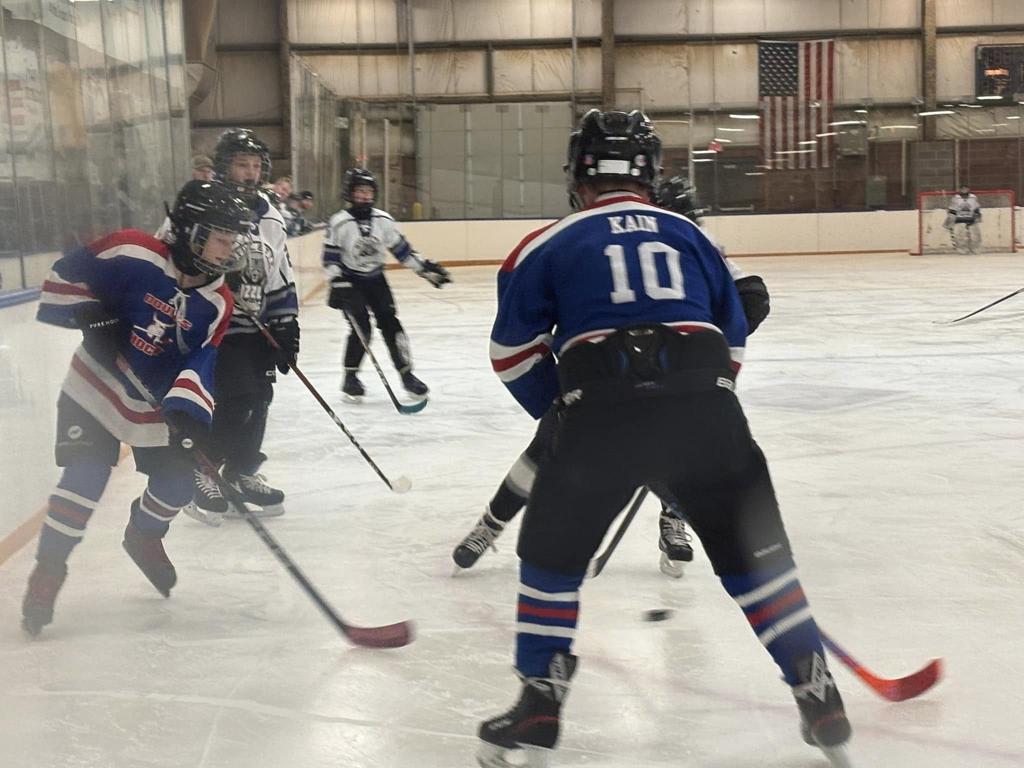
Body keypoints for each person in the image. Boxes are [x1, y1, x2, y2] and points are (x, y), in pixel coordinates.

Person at [475, 110, 851, 768]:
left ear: (578, 176)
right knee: (754, 559)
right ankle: (815, 688)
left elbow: (511, 353)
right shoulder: (691, 234)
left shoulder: (547, 243)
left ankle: (540, 695)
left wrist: (561, 412)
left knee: (551, 558)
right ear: (650, 174)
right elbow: (732, 339)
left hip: (600, 416)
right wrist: (701, 407)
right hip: (708, 414)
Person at [452, 175, 772, 579]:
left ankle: (672, 520)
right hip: (598, 376)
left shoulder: (689, 243)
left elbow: (751, 293)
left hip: (663, 377)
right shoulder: (606, 239)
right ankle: (492, 522)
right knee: (549, 444)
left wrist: (717, 332)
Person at [21, 180, 254, 636]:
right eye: (222, 237)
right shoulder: (132, 250)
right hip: (94, 388)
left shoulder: (217, 302)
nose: (230, 249)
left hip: (153, 404)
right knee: (83, 481)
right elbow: (68, 274)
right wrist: (90, 315)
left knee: (177, 486)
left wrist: (187, 410)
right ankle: (48, 570)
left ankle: (143, 534)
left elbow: (202, 359)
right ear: (192, 232)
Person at [182, 128, 300, 524]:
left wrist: (286, 325)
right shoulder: (201, 204)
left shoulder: (270, 215)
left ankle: (240, 471)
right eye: (241, 165)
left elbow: (280, 272)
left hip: (256, 327)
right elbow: (174, 257)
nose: (250, 173)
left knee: (260, 399)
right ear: (223, 167)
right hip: (214, 326)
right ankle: (202, 468)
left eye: (255, 166)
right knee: (238, 399)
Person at [323, 167, 451, 400]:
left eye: (368, 191)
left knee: (392, 325)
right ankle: (350, 378)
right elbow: (330, 258)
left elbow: (403, 251)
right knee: (362, 329)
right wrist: (336, 280)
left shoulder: (383, 220)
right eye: (360, 191)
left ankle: (407, 375)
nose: (365, 196)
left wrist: (423, 269)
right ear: (349, 193)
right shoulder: (339, 222)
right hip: (350, 282)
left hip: (376, 280)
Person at [944, 184, 982, 253]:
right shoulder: (956, 198)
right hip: (960, 218)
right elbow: (953, 210)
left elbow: (976, 208)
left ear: (968, 189)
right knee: (960, 234)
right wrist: (950, 219)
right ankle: (962, 248)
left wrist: (978, 215)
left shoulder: (973, 197)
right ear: (960, 190)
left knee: (975, 234)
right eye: (962, 189)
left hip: (971, 218)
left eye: (966, 189)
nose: (964, 190)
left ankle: (975, 248)